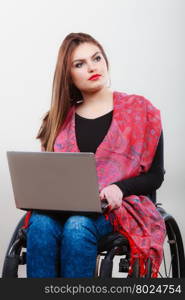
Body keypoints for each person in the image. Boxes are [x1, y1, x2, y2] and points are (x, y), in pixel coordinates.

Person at [26, 32, 166, 278]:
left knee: (77, 226)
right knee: (40, 223)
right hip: (66, 206)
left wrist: (119, 188)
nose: (92, 67)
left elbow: (155, 176)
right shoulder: (58, 120)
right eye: (79, 64)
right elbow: (49, 177)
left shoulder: (140, 110)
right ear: (68, 75)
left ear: (105, 60)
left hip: (119, 207)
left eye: (96, 58)